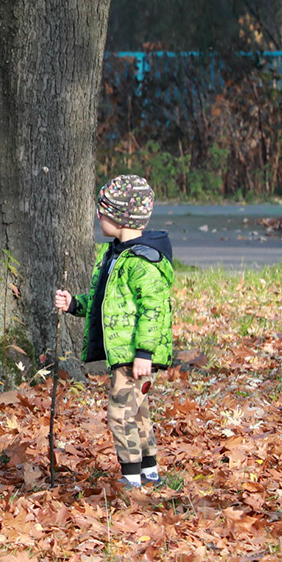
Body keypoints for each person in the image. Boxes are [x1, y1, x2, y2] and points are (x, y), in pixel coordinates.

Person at [55, 177, 176, 488]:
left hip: (136, 355)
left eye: (103, 212)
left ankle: (131, 477)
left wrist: (144, 353)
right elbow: (105, 302)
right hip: (127, 352)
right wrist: (74, 304)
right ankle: (149, 471)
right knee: (138, 412)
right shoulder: (115, 254)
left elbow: (154, 310)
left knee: (119, 413)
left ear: (120, 217)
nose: (98, 217)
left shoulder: (143, 261)